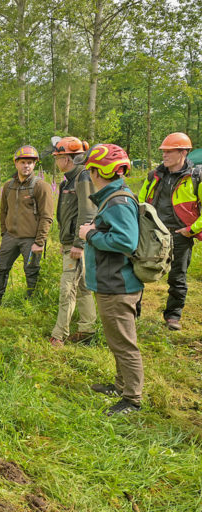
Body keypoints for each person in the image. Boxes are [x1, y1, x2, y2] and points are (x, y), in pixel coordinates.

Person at [78, 143, 143, 416]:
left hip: (118, 284)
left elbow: (126, 241)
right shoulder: (116, 195)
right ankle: (120, 385)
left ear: (97, 172)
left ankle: (132, 399)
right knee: (116, 339)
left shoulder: (117, 200)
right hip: (112, 281)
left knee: (124, 344)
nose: (91, 175)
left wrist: (90, 235)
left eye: (92, 169)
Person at [137, 132, 202, 331]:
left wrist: (191, 230)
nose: (164, 155)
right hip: (153, 234)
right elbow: (140, 203)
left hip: (180, 235)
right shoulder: (154, 175)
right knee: (139, 272)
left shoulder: (195, 177)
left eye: (169, 151)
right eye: (163, 151)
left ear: (183, 152)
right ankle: (133, 312)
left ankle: (173, 316)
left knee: (177, 278)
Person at [0, 145, 54, 305]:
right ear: (16, 163)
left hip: (31, 240)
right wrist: (4, 233)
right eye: (23, 162)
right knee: (0, 264)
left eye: (30, 162)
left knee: (31, 271)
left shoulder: (41, 186)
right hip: (11, 237)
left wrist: (39, 241)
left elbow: (47, 216)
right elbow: (3, 211)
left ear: (34, 164)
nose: (26, 165)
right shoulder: (8, 186)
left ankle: (31, 304)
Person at [48, 137, 98, 347]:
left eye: (58, 157)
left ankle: (59, 335)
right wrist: (67, 240)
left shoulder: (83, 177)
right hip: (72, 242)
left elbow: (87, 211)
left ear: (67, 159)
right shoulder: (68, 179)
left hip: (79, 244)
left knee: (67, 288)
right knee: (84, 287)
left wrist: (78, 243)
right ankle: (88, 329)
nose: (56, 161)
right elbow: (68, 213)